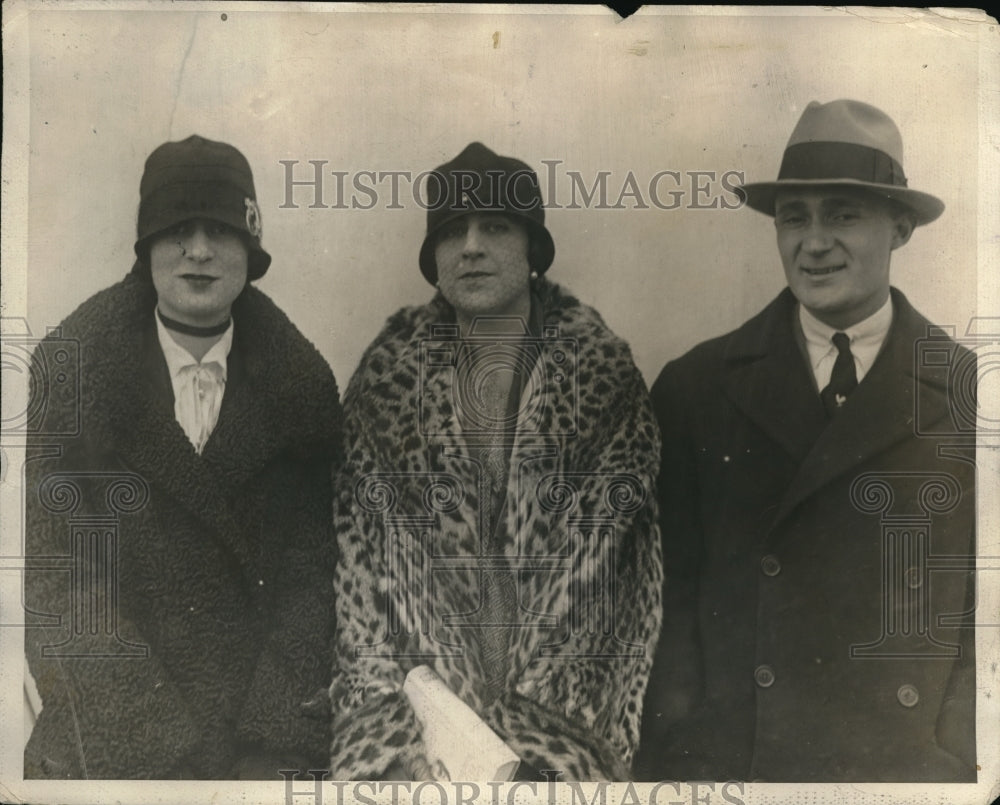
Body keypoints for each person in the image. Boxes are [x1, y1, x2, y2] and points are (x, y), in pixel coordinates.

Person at [634, 99, 976, 782]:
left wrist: (956, 759)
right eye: (795, 217)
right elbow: (660, 608)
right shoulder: (696, 388)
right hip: (736, 770)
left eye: (843, 214)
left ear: (900, 226)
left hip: (903, 774)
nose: (813, 242)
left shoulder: (973, 394)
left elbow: (984, 614)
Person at [328, 142, 662, 781]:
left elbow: (624, 598)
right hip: (416, 737)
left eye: (495, 226)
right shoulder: (382, 388)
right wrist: (401, 740)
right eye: (452, 232)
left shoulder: (606, 388)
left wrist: (543, 753)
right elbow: (357, 593)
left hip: (563, 733)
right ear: (434, 260)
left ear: (533, 249)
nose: (471, 246)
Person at [23, 135, 342, 779]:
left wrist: (271, 738)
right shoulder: (72, 378)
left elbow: (315, 581)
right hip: (111, 726)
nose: (198, 251)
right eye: (177, 230)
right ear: (145, 249)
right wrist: (151, 740)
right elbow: (54, 578)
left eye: (220, 230)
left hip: (261, 735)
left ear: (250, 247)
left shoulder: (302, 393)